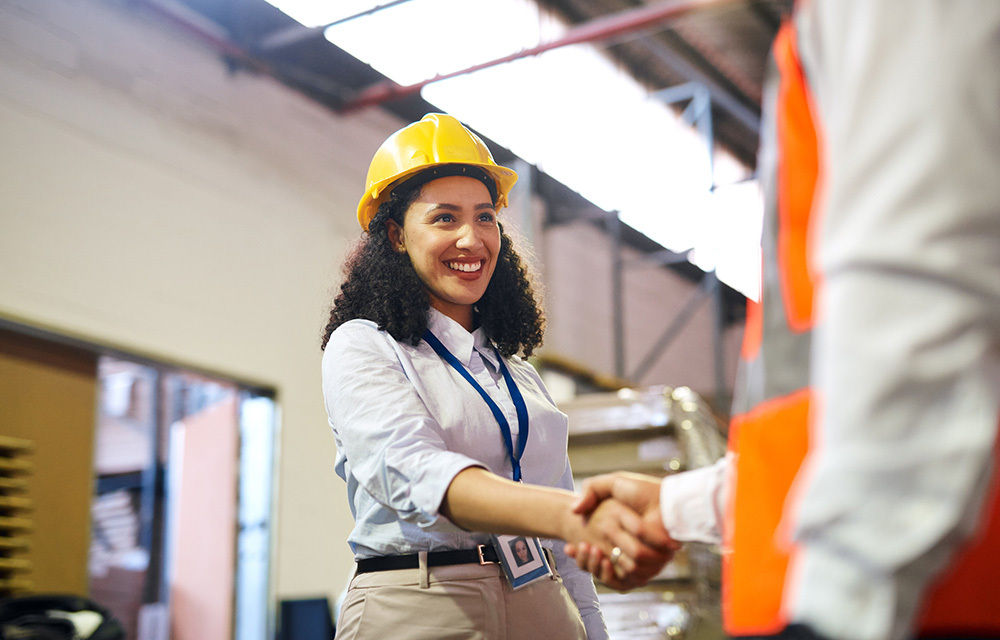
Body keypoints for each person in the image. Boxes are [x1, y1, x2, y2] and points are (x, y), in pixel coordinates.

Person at [567, 2, 1000, 640]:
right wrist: (671, 505)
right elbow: (821, 426)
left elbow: (918, 308)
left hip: (919, 607)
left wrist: (838, 609)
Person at [321, 113, 674, 640]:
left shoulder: (518, 374)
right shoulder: (364, 345)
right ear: (396, 235)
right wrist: (575, 515)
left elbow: (563, 547)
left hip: (542, 599)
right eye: (444, 218)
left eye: (485, 217)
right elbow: (419, 475)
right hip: (424, 607)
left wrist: (593, 628)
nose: (472, 238)